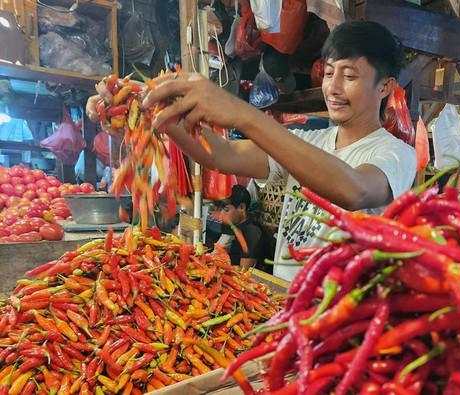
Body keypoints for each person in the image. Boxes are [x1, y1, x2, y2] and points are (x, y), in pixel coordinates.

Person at [86, 21, 417, 281]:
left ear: (385, 86)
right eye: (330, 73)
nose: (333, 87)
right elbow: (222, 154)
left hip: (340, 321)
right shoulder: (310, 142)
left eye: (350, 76)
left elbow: (354, 190)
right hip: (286, 303)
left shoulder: (395, 154)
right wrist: (152, 112)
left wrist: (242, 113)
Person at [205, 185, 262, 270]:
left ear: (241, 208)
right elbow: (219, 249)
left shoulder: (251, 232)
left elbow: (244, 270)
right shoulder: (230, 223)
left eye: (226, 210)